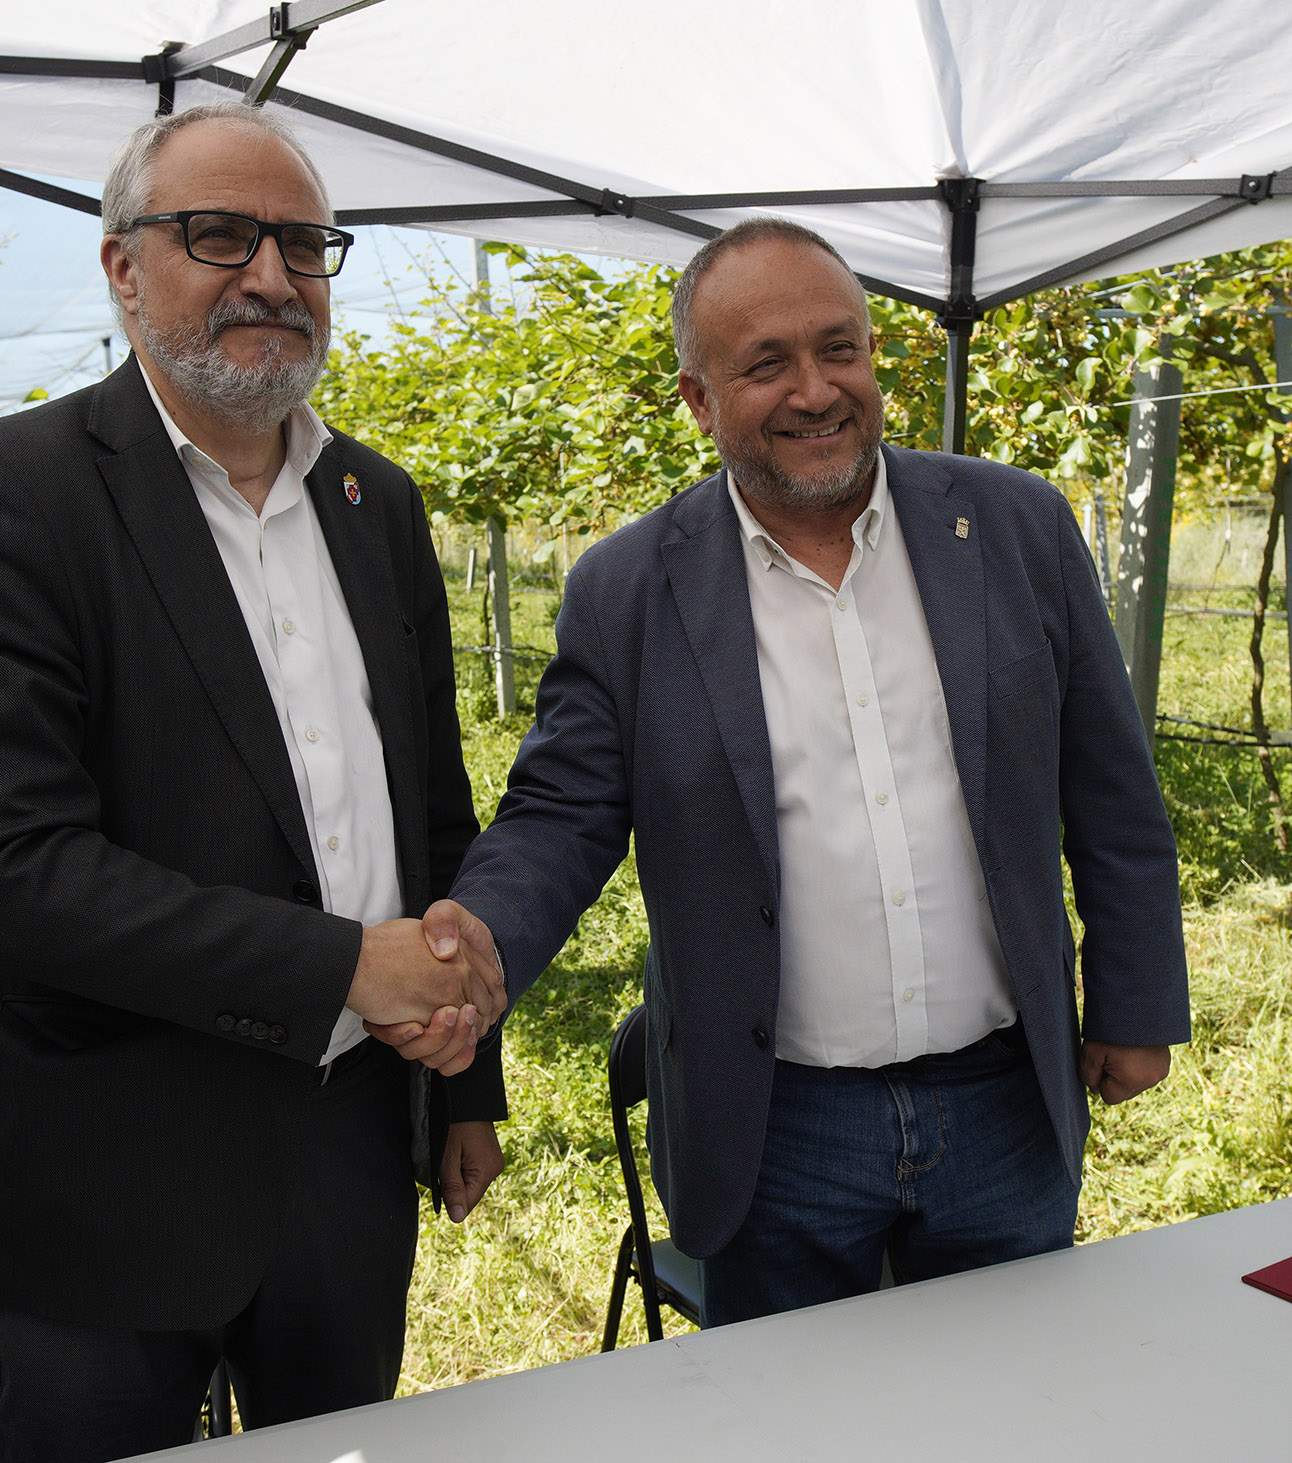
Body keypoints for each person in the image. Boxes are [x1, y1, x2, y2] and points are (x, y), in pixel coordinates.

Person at [387, 218, 1190, 1326]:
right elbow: (561, 816)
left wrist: (1138, 999)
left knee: (1012, 1410)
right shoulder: (628, 591)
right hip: (775, 1124)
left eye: (840, 349)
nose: (816, 390)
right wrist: (473, 948)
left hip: (1005, 1099)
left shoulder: (1013, 526)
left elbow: (1112, 791)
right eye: (766, 363)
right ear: (698, 400)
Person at [0, 100, 507, 1462]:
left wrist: (467, 1084)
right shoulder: (13, 495)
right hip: (108, 1167)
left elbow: (430, 814)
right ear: (123, 268)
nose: (271, 277)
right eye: (220, 235)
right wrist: (346, 966)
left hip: (351, 1151)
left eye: (301, 244)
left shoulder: (378, 502)